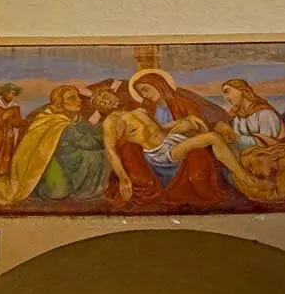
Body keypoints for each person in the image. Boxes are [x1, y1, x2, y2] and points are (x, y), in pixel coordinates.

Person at [92, 89, 269, 202]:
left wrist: (185, 121)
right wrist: (123, 177)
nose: (107, 100)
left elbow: (161, 129)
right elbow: (111, 152)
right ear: (100, 107)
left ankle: (240, 174)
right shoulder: (111, 122)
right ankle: (244, 177)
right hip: (161, 153)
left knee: (203, 130)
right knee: (213, 137)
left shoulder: (139, 111)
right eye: (102, 101)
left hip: (171, 141)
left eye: (107, 96)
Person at [0, 85, 90, 208]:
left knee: (3, 160)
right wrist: (2, 119)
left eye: (13, 93)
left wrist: (26, 123)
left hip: (8, 138)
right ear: (2, 93)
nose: (11, 95)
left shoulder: (15, 108)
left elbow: (17, 121)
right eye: (9, 93)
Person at [125, 69, 229, 206]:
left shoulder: (184, 103)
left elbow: (202, 129)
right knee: (128, 149)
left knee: (198, 154)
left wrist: (189, 126)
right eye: (141, 93)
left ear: (159, 84)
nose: (145, 95)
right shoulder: (146, 109)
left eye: (146, 89)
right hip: (156, 153)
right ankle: (147, 190)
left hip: (180, 149)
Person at [32, 87, 108, 201]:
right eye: (72, 98)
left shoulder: (73, 117)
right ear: (59, 103)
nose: (79, 100)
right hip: (56, 163)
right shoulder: (58, 122)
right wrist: (108, 138)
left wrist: (104, 126)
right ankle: (87, 191)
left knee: (96, 154)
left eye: (78, 97)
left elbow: (88, 131)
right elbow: (85, 142)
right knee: (98, 156)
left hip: (69, 156)